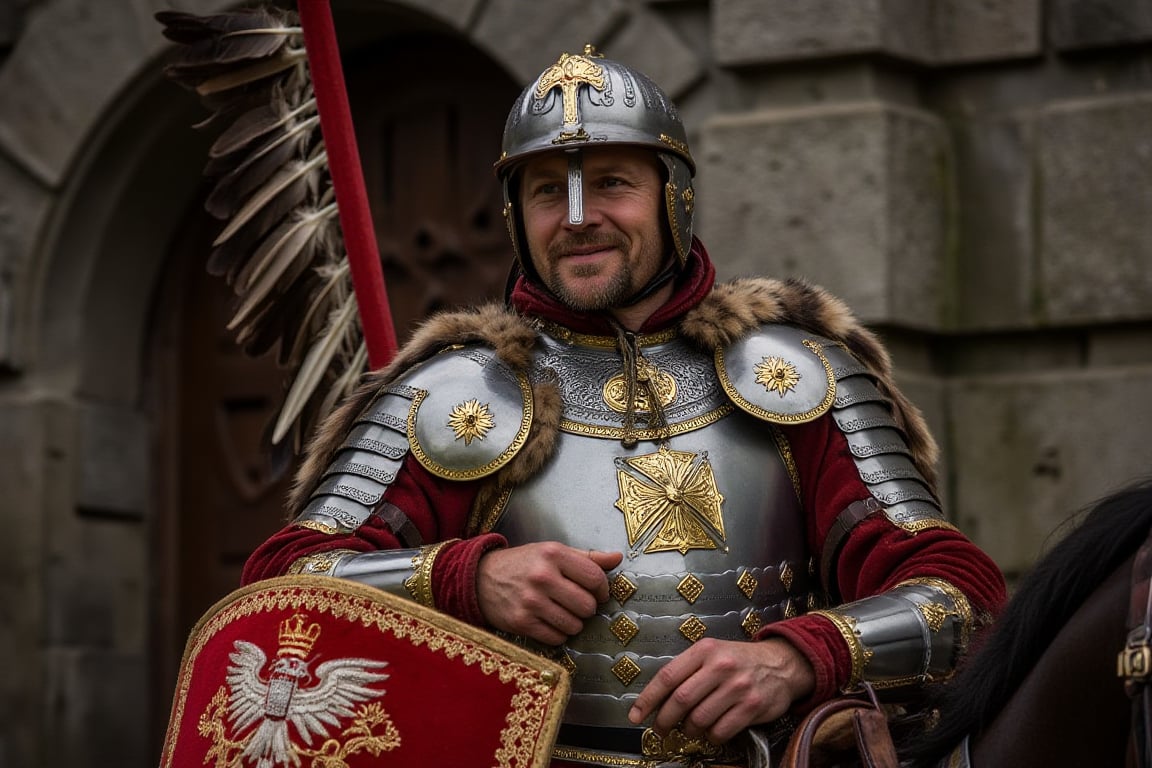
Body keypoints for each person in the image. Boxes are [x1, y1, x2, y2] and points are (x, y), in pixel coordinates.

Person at [242, 45, 1006, 767]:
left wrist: (799, 658)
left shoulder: (798, 376)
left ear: (672, 198)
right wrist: (463, 582)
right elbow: (285, 587)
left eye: (610, 182)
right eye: (547, 191)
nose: (576, 217)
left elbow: (958, 595)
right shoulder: (455, 394)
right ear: (517, 215)